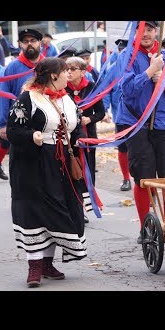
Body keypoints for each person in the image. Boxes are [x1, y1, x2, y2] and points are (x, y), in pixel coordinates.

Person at [6, 57, 87, 288]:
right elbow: (12, 130)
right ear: (53, 75)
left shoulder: (68, 99)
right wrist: (31, 136)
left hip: (62, 164)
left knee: (59, 209)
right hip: (33, 163)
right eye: (65, 71)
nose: (68, 75)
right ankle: (35, 267)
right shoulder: (28, 98)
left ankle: (48, 263)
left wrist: (81, 139)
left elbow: (77, 127)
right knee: (36, 211)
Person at [117, 21, 165, 244]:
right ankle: (145, 226)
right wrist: (149, 71)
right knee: (143, 179)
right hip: (137, 125)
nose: (145, 34)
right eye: (141, 29)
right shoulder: (127, 56)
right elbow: (126, 91)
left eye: (150, 29)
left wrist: (164, 83)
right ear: (135, 31)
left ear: (156, 31)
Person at [0, 28, 45, 182]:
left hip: (44, 123)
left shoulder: (47, 65)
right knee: (22, 169)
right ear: (20, 45)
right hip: (20, 125)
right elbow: (3, 96)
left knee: (44, 168)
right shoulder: (12, 67)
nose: (29, 44)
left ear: (40, 43)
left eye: (32, 41)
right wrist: (3, 124)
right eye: (25, 42)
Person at [65, 56, 105, 223]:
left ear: (82, 72)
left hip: (88, 138)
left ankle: (84, 207)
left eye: (72, 69)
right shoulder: (62, 88)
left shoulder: (91, 88)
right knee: (70, 171)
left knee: (86, 172)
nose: (68, 72)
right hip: (68, 137)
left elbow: (101, 112)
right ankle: (73, 207)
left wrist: (89, 120)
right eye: (66, 69)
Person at [102, 38, 132, 192]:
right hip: (121, 116)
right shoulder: (113, 69)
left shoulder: (136, 64)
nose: (123, 54)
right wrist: (105, 110)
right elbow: (106, 90)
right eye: (121, 51)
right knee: (123, 149)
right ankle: (126, 178)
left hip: (139, 116)